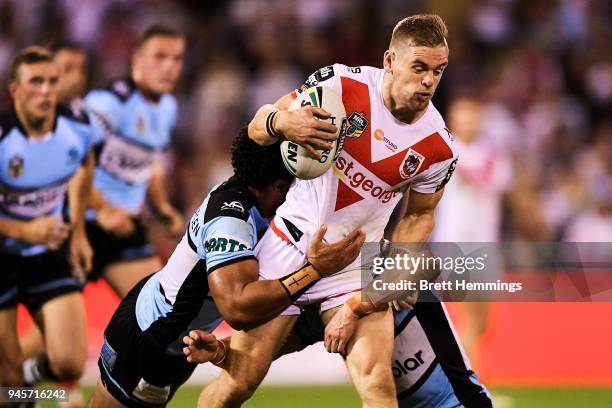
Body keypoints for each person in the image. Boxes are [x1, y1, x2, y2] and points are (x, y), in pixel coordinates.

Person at [200, 13, 459, 408]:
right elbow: (257, 127)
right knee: (240, 381)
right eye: (419, 67)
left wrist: (396, 264)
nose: (428, 81)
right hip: (291, 243)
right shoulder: (340, 83)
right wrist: (284, 122)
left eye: (438, 71)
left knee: (377, 382)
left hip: (355, 265)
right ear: (390, 61)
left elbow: (420, 214)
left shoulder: (440, 147)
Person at [87, 129, 365, 408]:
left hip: (172, 335)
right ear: (279, 186)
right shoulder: (230, 220)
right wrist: (315, 272)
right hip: (154, 338)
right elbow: (237, 308)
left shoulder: (254, 199)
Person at [185, 293, 494, 407]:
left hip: (459, 402)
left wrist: (353, 310)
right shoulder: (328, 299)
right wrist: (222, 353)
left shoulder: (393, 260)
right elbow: (276, 347)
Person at [0, 46, 93, 393]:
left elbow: (84, 164)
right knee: (6, 375)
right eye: (35, 81)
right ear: (15, 90)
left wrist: (80, 233)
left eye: (52, 81)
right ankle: (17, 391)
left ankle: (27, 383)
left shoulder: (76, 128)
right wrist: (25, 229)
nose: (45, 90)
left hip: (48, 253)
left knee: (69, 360)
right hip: (3, 257)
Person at [83, 25, 186, 297]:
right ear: (137, 60)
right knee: (44, 336)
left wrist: (162, 207)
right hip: (83, 223)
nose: (169, 67)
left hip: (125, 228)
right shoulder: (107, 102)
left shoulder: (168, 107)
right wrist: (104, 208)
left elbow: (152, 165)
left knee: (157, 313)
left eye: (177, 58)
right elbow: (71, 164)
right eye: (160, 57)